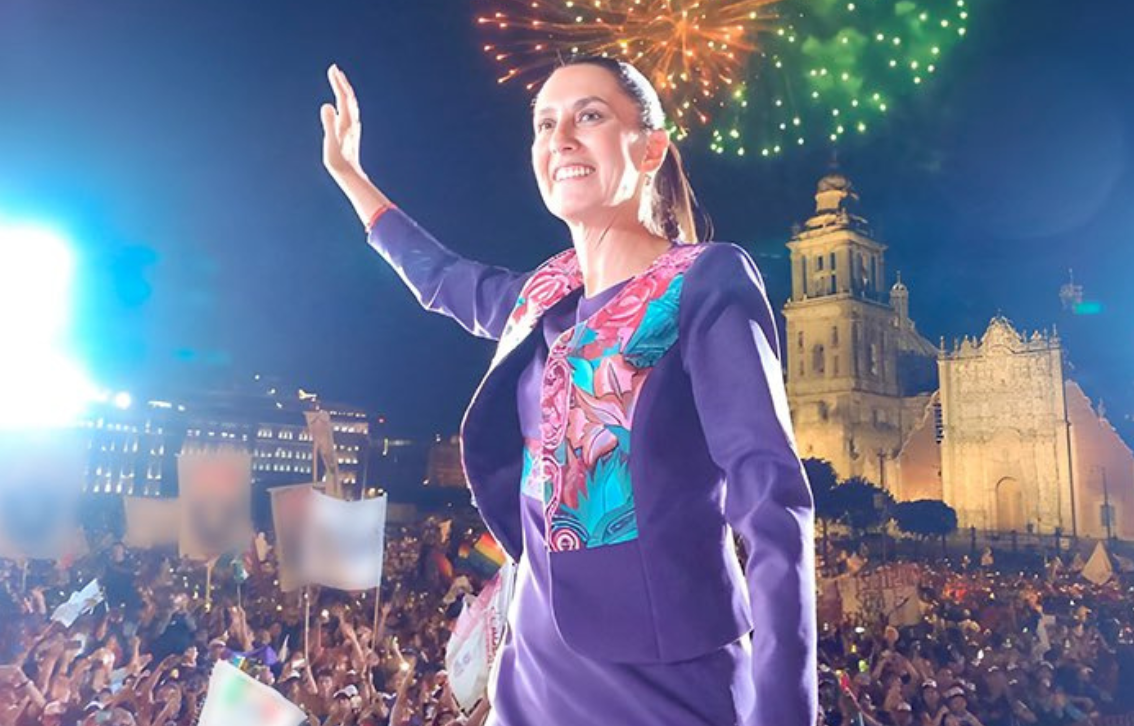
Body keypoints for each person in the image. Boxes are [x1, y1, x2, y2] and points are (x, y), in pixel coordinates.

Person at [319, 56, 816, 726]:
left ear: (650, 149)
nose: (562, 137)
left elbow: (771, 502)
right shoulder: (542, 298)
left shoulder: (703, 281)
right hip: (532, 674)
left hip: (663, 684)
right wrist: (353, 178)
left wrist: (784, 711)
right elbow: (439, 277)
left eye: (590, 115)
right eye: (545, 123)